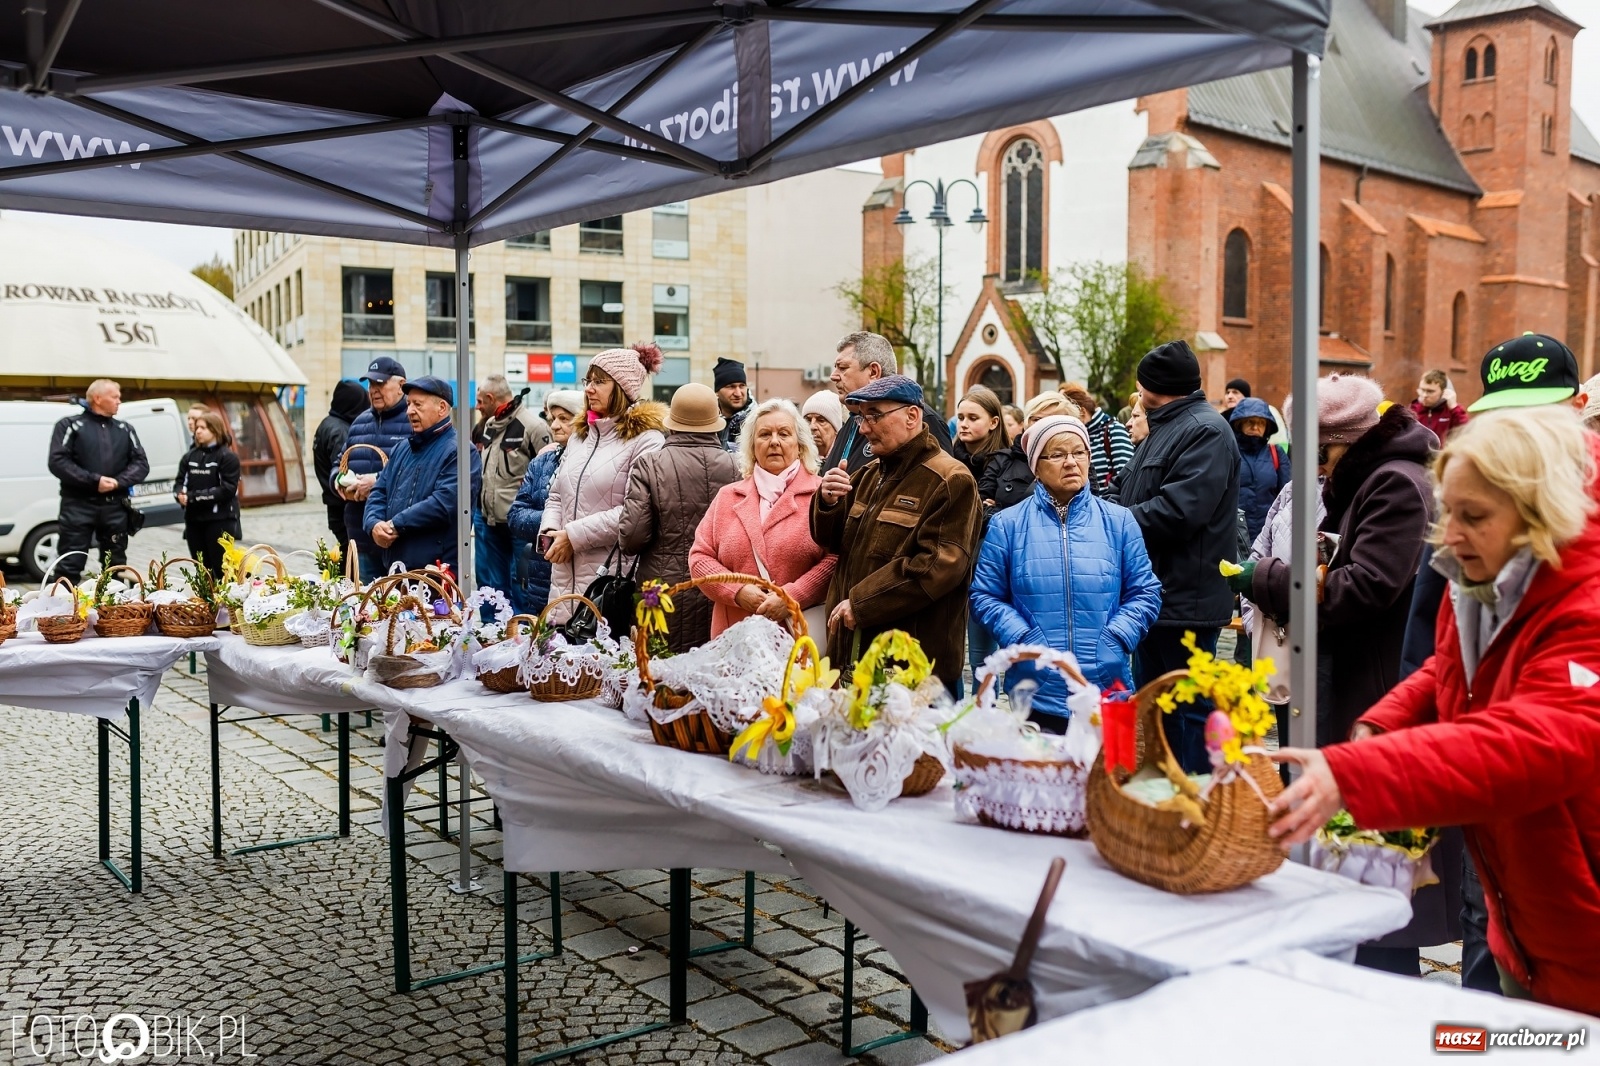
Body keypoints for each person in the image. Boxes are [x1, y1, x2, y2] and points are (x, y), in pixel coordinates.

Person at [1269, 406, 1600, 1015]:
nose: (1449, 537)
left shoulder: (1588, 606)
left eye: (1474, 517)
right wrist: (1386, 720)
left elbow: (1539, 740)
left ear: (1539, 512)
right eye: (1449, 513)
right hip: (1534, 914)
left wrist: (1358, 773)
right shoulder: (1491, 570)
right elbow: (1451, 665)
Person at [1398, 333, 1593, 994]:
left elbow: (1556, 722)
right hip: (1491, 798)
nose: (1519, 430)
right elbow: (1438, 642)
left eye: (1538, 413)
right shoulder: (1474, 506)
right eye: (1504, 414)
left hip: (1559, 810)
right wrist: (1402, 722)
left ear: (1577, 408)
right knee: (1488, 928)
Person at [1228, 374, 1437, 975]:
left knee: (1373, 864)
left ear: (1343, 442)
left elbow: (1366, 586)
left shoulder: (1395, 484)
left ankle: (1377, 979)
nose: (1315, 469)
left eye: (1317, 454)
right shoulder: (1373, 477)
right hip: (1356, 678)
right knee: (1351, 853)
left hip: (1376, 686)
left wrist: (1269, 580)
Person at [971, 415, 1162, 731]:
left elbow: (1145, 591)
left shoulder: (1119, 521)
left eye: (1079, 452)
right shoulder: (1008, 525)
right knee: (1041, 763)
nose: (1071, 462)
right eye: (1058, 454)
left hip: (1107, 687)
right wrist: (1022, 638)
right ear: (1036, 466)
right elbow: (984, 595)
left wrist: (1116, 637)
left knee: (1109, 764)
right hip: (1035, 690)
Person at [1107, 340, 1240, 773]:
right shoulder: (1164, 427)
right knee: (1156, 709)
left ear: (1156, 387)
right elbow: (1128, 488)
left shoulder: (1205, 430)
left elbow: (1181, 511)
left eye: (1141, 383)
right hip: (1152, 597)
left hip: (1186, 600)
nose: (1137, 391)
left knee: (1189, 711)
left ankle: (1197, 798)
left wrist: (1112, 521)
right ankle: (1161, 793)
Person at [811, 374, 981, 697]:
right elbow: (831, 543)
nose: (864, 428)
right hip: (854, 660)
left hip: (912, 672)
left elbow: (935, 567)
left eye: (874, 415)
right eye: (861, 418)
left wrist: (861, 603)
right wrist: (828, 502)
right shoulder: (867, 475)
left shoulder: (951, 479)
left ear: (912, 416)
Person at [539, 344, 667, 623]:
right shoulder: (580, 436)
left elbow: (635, 512)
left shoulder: (647, 440)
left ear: (621, 388)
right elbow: (556, 494)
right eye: (588, 380)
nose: (588, 389)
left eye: (599, 381)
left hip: (609, 581)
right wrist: (550, 531)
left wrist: (573, 536)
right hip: (563, 577)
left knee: (599, 647)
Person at [691, 398, 837, 638]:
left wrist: (793, 596)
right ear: (752, 446)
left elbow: (836, 559)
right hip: (733, 639)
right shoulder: (728, 497)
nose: (774, 441)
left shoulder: (822, 495)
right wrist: (738, 591)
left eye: (784, 434)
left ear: (800, 445)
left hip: (797, 638)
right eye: (765, 434)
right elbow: (699, 558)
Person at [618, 384, 740, 652]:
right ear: (715, 424)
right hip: (718, 590)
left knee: (657, 667)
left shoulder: (649, 465)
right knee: (714, 667)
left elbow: (632, 538)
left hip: (660, 591)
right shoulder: (737, 467)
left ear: (672, 423)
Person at [364, 377, 481, 573]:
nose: (409, 411)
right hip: (396, 567)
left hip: (435, 571)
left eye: (417, 404)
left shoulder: (461, 451)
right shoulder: (402, 448)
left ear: (441, 408)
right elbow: (379, 490)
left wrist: (395, 525)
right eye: (408, 404)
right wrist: (373, 523)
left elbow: (444, 503)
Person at [47, 378, 149, 582]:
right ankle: (64, 601)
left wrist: (118, 482)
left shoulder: (125, 429)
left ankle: (115, 602)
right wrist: (95, 481)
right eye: (115, 397)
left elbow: (141, 464)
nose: (119, 401)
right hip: (78, 505)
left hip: (115, 506)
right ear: (98, 398)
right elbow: (58, 461)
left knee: (116, 565)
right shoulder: (70, 425)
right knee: (70, 563)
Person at [823, 331, 952, 473]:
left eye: (842, 368)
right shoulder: (852, 422)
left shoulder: (922, 419)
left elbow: (940, 477)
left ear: (873, 372)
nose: (833, 376)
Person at [472, 375, 552, 596]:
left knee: (521, 582)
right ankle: (493, 620)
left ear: (491, 398)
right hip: (488, 520)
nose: (477, 406)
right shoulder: (488, 426)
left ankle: (520, 619)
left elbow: (550, 472)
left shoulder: (534, 427)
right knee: (491, 585)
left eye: (480, 401)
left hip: (519, 522)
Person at [507, 391, 583, 617]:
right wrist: (552, 521)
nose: (554, 426)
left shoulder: (596, 464)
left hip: (581, 581)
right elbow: (515, 516)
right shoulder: (541, 463)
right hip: (542, 581)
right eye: (553, 419)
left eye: (564, 418)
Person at [334, 356, 411, 582]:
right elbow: (339, 463)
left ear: (401, 385)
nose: (373, 390)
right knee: (365, 599)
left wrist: (377, 481)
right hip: (361, 535)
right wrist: (339, 481)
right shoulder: (359, 422)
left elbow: (417, 470)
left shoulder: (414, 421)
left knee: (400, 599)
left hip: (397, 537)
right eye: (370, 384)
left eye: (380, 383)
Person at [175, 410, 241, 576]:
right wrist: (179, 495)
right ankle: (205, 593)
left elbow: (227, 490)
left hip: (220, 520)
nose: (198, 431)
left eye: (203, 428)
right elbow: (179, 482)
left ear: (215, 430)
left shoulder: (227, 457)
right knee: (202, 570)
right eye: (197, 427)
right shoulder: (189, 457)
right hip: (194, 520)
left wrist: (193, 497)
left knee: (222, 569)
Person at [311, 381, 370, 548]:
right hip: (342, 505)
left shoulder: (328, 423)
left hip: (334, 505)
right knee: (351, 555)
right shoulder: (340, 431)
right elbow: (345, 470)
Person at [1230, 396, 1290, 544]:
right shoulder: (1228, 452)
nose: (1256, 427)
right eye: (1250, 422)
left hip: (1269, 536)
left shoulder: (1276, 453)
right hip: (1234, 536)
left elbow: (1288, 496)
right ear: (1239, 424)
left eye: (1261, 423)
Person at [1063, 383, 1133, 495]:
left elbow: (1127, 477)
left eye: (1067, 417)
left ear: (1082, 412)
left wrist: (1107, 504)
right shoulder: (1077, 437)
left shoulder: (1113, 430)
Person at [952, 385, 1009, 485]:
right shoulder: (947, 457)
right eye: (960, 418)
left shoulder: (1007, 463)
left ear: (993, 422)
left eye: (973, 418)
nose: (964, 424)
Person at [1411, 369, 1469, 443]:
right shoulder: (1413, 410)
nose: (1424, 395)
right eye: (1422, 390)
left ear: (1444, 392)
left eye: (1430, 391)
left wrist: (1454, 407)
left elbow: (1465, 431)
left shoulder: (1452, 411)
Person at [713, 358, 754, 451]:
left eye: (742, 386)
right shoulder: (708, 422)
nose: (738, 393)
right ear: (717, 392)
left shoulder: (755, 422)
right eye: (731, 387)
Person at [802, 389, 844, 459]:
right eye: (808, 420)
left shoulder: (847, 459)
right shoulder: (796, 460)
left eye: (821, 420)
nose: (812, 426)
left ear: (836, 429)